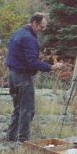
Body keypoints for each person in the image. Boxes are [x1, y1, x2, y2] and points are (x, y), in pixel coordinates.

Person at [5, 12, 64, 143]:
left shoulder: (18, 33)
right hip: (22, 77)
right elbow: (32, 62)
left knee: (18, 108)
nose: (42, 30)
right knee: (27, 110)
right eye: (41, 27)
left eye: (44, 27)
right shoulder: (29, 38)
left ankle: (11, 138)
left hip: (13, 76)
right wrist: (52, 67)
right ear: (34, 23)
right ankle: (23, 141)